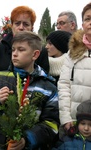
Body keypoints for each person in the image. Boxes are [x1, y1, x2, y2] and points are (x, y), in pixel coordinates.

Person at [0, 31, 59, 150]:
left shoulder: (48, 87)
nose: (14, 54)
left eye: (21, 50)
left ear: (35, 55)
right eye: (13, 49)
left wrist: (27, 139)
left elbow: (52, 125)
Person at [0, 5, 49, 82]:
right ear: (12, 26)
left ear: (32, 27)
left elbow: (44, 80)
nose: (21, 27)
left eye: (26, 24)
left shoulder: (41, 50)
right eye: (17, 23)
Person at [58, 2, 91, 139]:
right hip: (75, 123)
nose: (90, 22)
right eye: (88, 19)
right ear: (82, 24)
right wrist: (65, 118)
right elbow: (64, 85)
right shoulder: (73, 52)